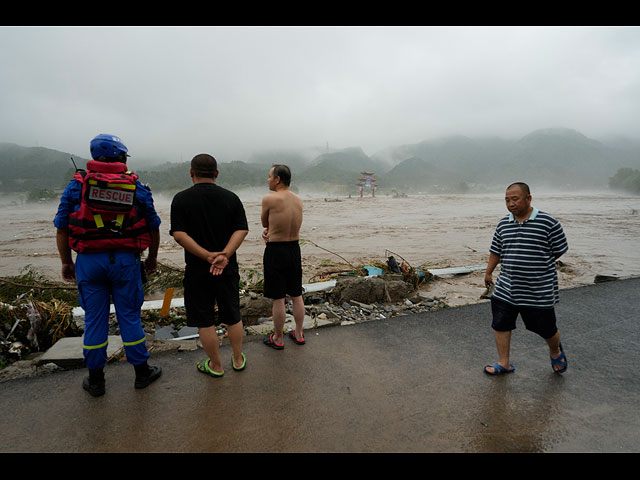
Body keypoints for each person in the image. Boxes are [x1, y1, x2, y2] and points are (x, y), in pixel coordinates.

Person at [53, 133, 162, 397]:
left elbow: (62, 228)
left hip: (89, 262)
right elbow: (153, 226)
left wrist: (67, 262)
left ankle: (96, 380)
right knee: (129, 316)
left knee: (94, 319)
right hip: (125, 260)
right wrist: (151, 258)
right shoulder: (135, 186)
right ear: (122, 157)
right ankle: (141, 373)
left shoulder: (77, 186)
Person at [170, 154, 248, 377]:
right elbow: (241, 229)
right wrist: (225, 255)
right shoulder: (231, 198)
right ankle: (238, 358)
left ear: (191, 172)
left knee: (204, 320)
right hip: (227, 268)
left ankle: (216, 365)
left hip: (197, 270)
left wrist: (206, 256)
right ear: (216, 173)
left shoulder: (181, 199)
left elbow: (179, 234)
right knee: (232, 314)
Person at [484, 182, 569, 376]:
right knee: (500, 323)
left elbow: (559, 250)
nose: (510, 204)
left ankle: (555, 350)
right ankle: (503, 363)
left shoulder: (548, 222)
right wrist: (489, 272)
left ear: (528, 198)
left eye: (515, 199)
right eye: (507, 200)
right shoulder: (503, 223)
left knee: (546, 328)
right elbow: (496, 250)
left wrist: (536, 264)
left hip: (538, 290)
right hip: (507, 286)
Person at [261, 164, 305, 349]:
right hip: (294, 249)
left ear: (278, 179)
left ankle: (278, 338)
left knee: (278, 297)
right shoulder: (298, 200)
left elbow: (265, 223)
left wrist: (267, 233)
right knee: (296, 294)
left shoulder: (269, 199)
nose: (268, 180)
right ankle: (299, 333)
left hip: (276, 250)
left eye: (270, 176)